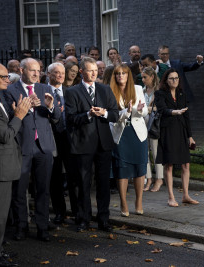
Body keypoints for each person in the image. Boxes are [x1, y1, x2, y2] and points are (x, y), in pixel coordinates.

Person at [2, 58, 61, 242]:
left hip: (44, 147)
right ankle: (21, 227)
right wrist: (25, 108)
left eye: (39, 70)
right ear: (21, 70)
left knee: (43, 190)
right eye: (32, 70)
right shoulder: (10, 90)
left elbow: (58, 118)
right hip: (22, 146)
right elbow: (7, 116)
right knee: (20, 190)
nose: (37, 74)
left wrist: (50, 106)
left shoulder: (45, 88)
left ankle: (42, 228)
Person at [64, 57, 119, 232]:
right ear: (81, 72)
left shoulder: (105, 89)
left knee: (103, 183)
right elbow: (70, 118)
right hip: (83, 144)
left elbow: (116, 115)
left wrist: (104, 113)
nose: (94, 73)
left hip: (103, 144)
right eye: (90, 70)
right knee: (83, 183)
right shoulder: (72, 92)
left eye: (96, 70)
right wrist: (88, 115)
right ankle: (83, 219)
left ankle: (104, 219)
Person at [0, 61, 32, 267]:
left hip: (3, 164)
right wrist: (19, 116)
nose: (8, 79)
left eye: (8, 76)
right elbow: (5, 134)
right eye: (3, 76)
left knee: (0, 213)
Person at [154, 69, 198, 207]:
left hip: (181, 131)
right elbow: (161, 110)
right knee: (170, 164)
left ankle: (185, 195)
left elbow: (186, 116)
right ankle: (171, 197)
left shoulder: (181, 94)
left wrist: (190, 136)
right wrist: (174, 112)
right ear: (166, 80)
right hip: (168, 131)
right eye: (171, 78)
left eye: (176, 78)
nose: (174, 80)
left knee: (186, 164)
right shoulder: (160, 93)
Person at [109, 64, 148, 216]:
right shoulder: (110, 90)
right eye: (118, 73)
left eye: (123, 73)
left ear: (128, 75)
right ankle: (123, 203)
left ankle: (138, 201)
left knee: (140, 168)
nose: (120, 76)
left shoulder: (138, 89)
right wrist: (125, 112)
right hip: (121, 133)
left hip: (137, 133)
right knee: (122, 168)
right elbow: (112, 115)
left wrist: (138, 110)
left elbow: (144, 111)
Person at [47, 62, 78, 225]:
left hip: (69, 138)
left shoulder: (70, 92)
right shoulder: (42, 91)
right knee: (55, 177)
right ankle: (59, 212)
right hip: (51, 138)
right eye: (56, 73)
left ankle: (77, 212)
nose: (60, 75)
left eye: (62, 73)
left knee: (73, 176)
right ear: (48, 74)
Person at [141, 67, 164, 192]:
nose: (143, 79)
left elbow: (158, 109)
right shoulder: (142, 91)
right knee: (144, 152)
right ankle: (149, 178)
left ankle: (159, 179)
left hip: (154, 124)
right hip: (142, 124)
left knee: (155, 151)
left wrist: (146, 109)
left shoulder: (158, 91)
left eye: (145, 77)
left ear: (152, 77)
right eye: (142, 77)